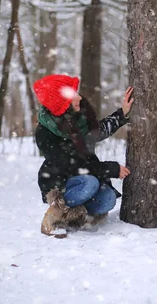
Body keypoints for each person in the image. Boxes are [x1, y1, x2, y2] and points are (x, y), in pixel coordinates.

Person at [33, 74, 134, 237]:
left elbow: (98, 131)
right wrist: (110, 169)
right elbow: (74, 164)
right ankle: (53, 218)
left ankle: (77, 217)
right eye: (72, 95)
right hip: (62, 182)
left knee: (108, 199)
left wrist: (122, 113)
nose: (79, 97)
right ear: (61, 104)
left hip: (85, 176)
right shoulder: (45, 134)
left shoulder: (78, 118)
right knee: (90, 183)